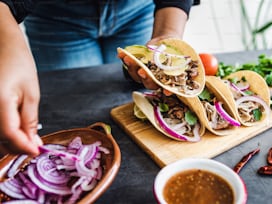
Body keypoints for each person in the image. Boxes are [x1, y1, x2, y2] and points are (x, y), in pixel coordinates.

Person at [0, 0, 193, 157]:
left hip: (138, 10)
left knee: (135, 84)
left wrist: (167, 34)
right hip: (55, 18)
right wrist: (7, 41)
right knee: (71, 111)